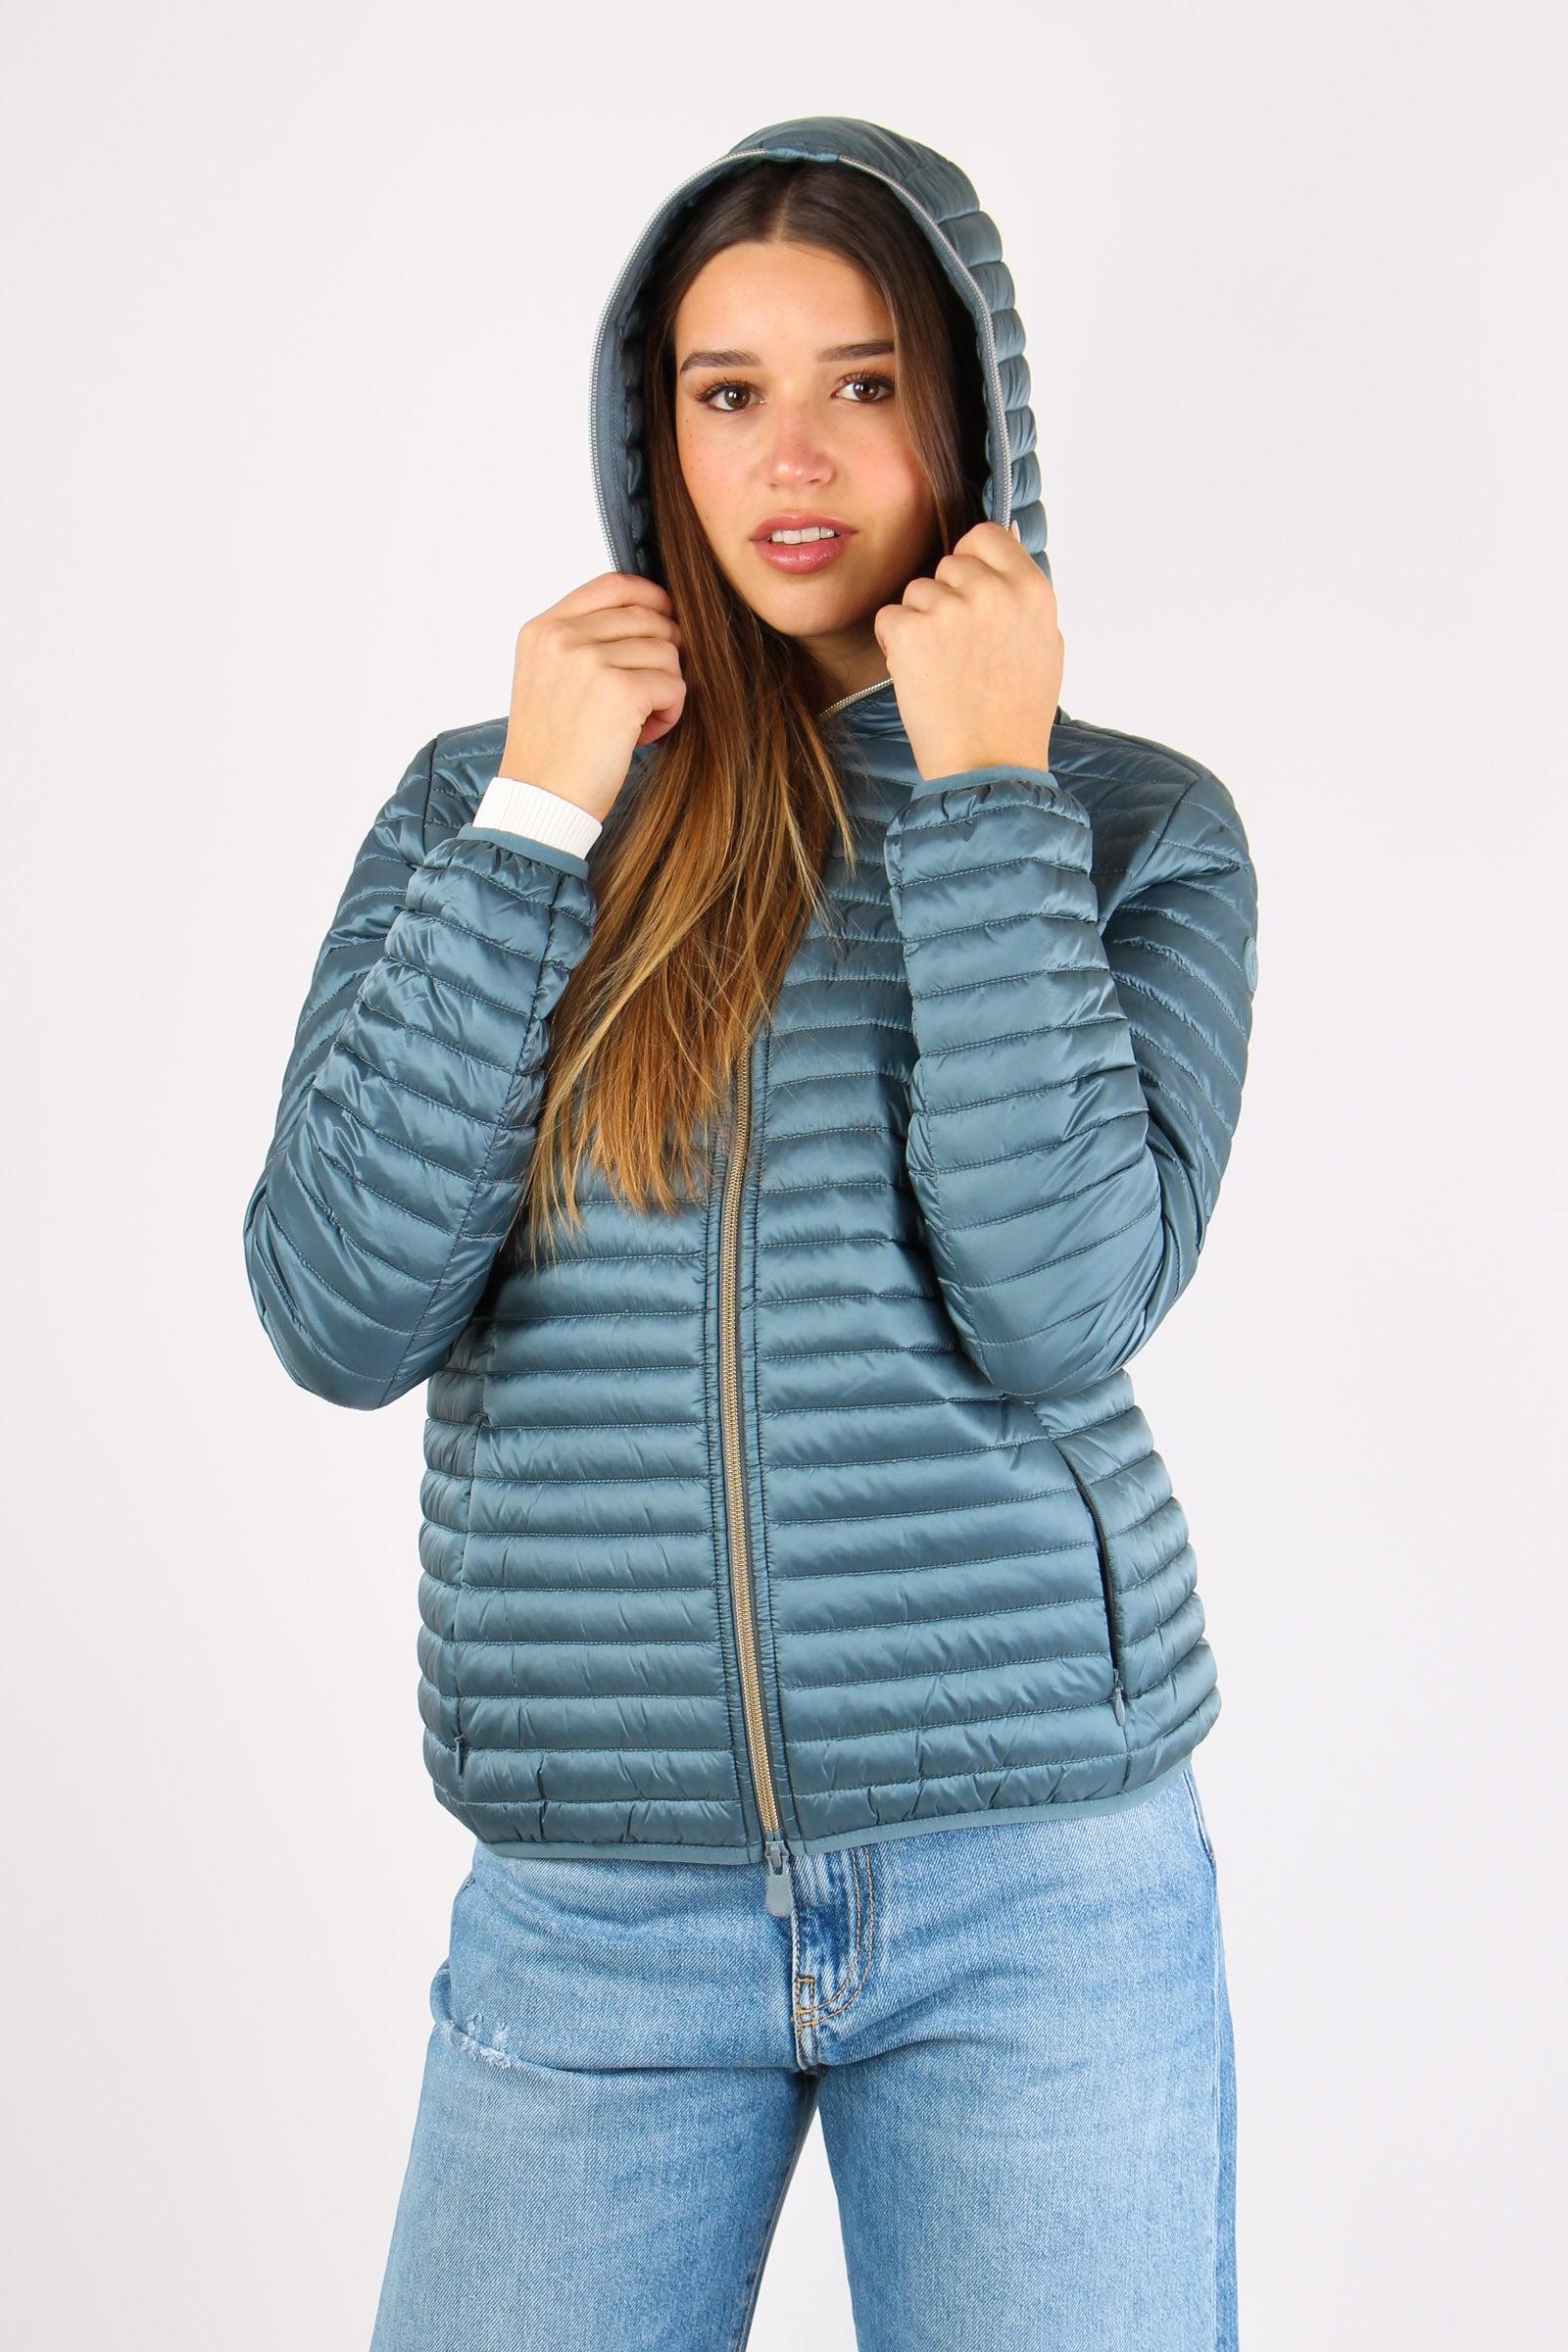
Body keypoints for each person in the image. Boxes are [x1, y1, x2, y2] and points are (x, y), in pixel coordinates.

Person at [243, 113, 1254, 2352]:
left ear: (965, 417)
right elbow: (335, 1307)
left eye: (860, 382)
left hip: (1035, 1885)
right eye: (727, 390)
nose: (788, 456)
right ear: (655, 429)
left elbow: (1055, 1302)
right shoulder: (488, 800)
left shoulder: (1127, 825)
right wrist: (538, 817)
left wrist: (980, 796)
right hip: (592, 1905)